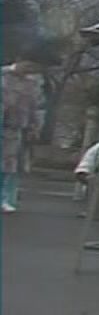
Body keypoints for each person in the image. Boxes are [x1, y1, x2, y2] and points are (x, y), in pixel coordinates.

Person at [1, 62, 41, 213]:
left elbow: (33, 106)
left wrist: (34, 126)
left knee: (8, 164)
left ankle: (4, 199)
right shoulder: (3, 76)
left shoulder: (31, 83)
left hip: (14, 127)